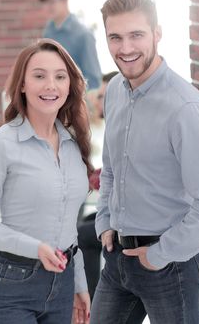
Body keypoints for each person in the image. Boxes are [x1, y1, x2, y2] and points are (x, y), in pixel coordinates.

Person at [90, 0, 199, 324]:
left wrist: (159, 255)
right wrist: (103, 222)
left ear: (157, 33)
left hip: (170, 266)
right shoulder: (114, 91)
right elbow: (111, 170)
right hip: (118, 259)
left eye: (136, 35)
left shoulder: (185, 108)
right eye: (116, 37)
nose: (125, 48)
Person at [0, 39, 91, 324]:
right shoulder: (1, 143)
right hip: (13, 285)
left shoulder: (73, 145)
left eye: (60, 77)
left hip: (63, 283)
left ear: (69, 85)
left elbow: (69, 227)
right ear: (22, 85)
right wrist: (35, 247)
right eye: (39, 76)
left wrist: (80, 284)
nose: (51, 85)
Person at [78, 71, 118, 300]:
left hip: (130, 220)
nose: (96, 100)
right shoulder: (113, 126)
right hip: (114, 210)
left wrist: (92, 178)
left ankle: (90, 301)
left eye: (102, 95)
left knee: (82, 235)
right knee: (83, 224)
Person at [39, 0, 102, 91]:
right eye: (45, 3)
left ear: (65, 0)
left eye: (52, 2)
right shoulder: (47, 32)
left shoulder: (83, 35)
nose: (48, 7)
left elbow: (93, 81)